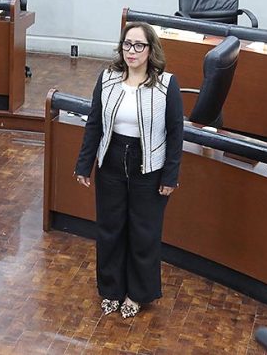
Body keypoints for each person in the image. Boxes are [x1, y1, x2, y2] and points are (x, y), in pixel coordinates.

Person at [74, 22, 183, 319]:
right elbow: (94, 123)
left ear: (150, 50)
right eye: (127, 44)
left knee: (143, 233)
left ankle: (137, 293)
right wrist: (84, 164)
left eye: (138, 45)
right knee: (110, 230)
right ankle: (110, 290)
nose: (131, 51)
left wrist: (171, 175)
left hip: (149, 167)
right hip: (110, 161)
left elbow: (175, 134)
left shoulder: (166, 85)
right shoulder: (107, 78)